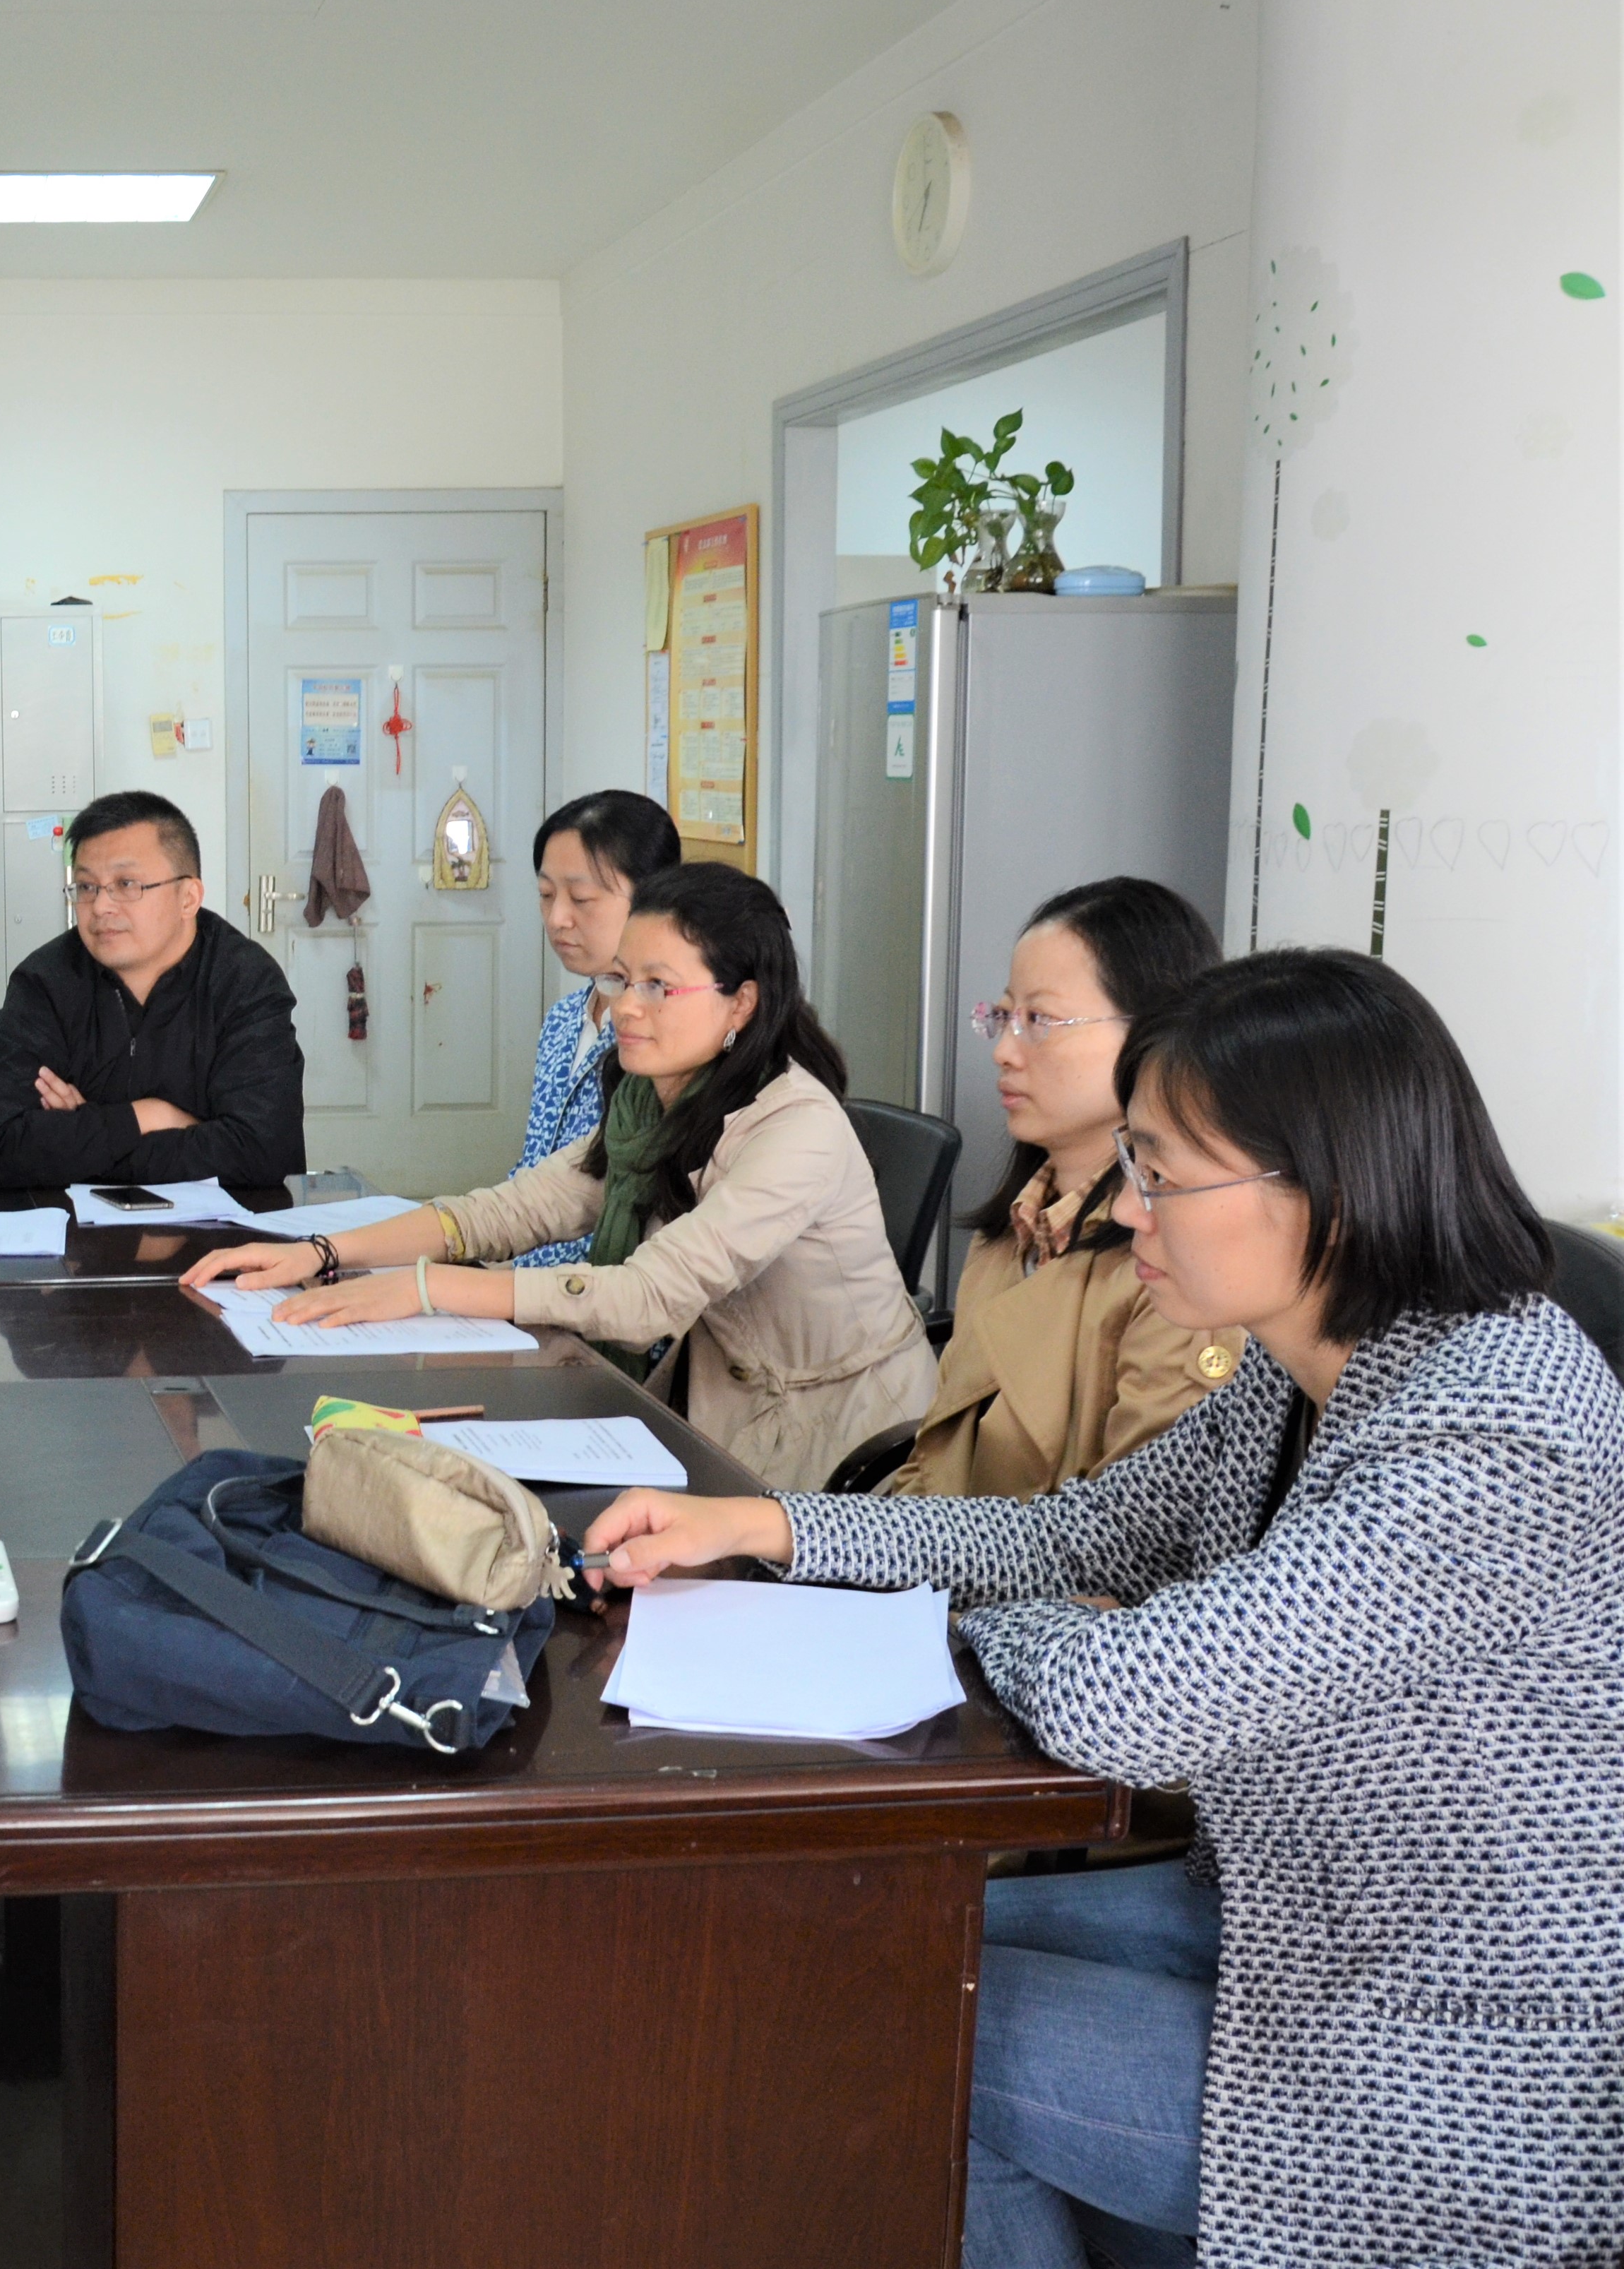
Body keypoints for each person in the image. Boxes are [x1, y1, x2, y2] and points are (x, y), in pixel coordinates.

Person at [577, 949, 1624, 2268]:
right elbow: (1065, 1535)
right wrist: (764, 1527)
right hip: (1285, 1915)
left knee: (882, 2010)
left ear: (1331, 1190)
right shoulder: (1304, 1366)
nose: (1126, 1209)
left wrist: (985, 1631)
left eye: (1164, 1174)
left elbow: (1124, 1698)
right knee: (850, 1936)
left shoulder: (1494, 1427)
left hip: (1453, 2051)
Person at [184, 864, 932, 1489]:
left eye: (658, 986)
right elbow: (514, 1209)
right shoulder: (652, 1098)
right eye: (620, 979)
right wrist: (322, 1251)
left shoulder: (797, 1127)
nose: (625, 1008)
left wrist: (427, 1287)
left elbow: (647, 1296)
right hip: (710, 1402)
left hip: (836, 1442)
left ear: (741, 1001)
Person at [885, 877, 1241, 1496]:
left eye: (1040, 1020)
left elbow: (1130, 1531)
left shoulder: (1179, 1268)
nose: (1004, 1050)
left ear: (1154, 1035)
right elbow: (937, 1461)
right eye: (1004, 1017)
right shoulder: (1014, 1228)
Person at [0, 790, 304, 1189]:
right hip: (75, 1227)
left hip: (226, 1226)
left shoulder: (245, 981)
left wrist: (88, 1137)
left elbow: (263, 1153)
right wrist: (149, 1117)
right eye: (86, 887)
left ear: (189, 898)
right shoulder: (45, 982)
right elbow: (4, 1150)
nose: (100, 907)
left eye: (126, 884)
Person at [513, 791, 681, 1267]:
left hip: (601, 1292)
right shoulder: (564, 1019)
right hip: (523, 1276)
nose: (557, 919)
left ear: (653, 897)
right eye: (546, 895)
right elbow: (532, 1175)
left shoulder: (667, 1039)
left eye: (582, 899)